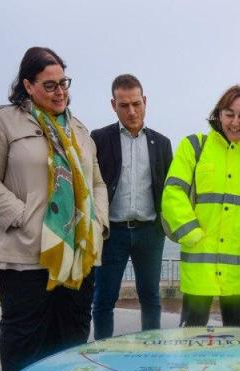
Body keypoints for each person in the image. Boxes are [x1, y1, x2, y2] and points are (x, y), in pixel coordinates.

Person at [0, 47, 109, 371]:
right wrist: (20, 215)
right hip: (26, 256)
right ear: (28, 85)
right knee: (25, 341)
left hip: (78, 255)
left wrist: (98, 222)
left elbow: (98, 183)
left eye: (64, 82)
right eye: (50, 85)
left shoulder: (79, 130)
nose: (60, 91)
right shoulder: (4, 121)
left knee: (72, 337)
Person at [161, 85, 240, 327]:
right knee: (192, 333)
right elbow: (173, 191)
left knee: (237, 335)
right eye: (229, 114)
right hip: (200, 260)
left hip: (238, 266)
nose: (235, 122)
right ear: (218, 114)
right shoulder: (194, 146)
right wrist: (190, 231)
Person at [90, 75, 173, 339]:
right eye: (124, 105)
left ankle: (152, 352)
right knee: (104, 299)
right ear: (113, 105)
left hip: (150, 231)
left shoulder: (162, 143)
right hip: (111, 233)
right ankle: (104, 352)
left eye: (136, 103)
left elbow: (169, 190)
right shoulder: (99, 139)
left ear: (145, 101)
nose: (132, 111)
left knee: (150, 297)